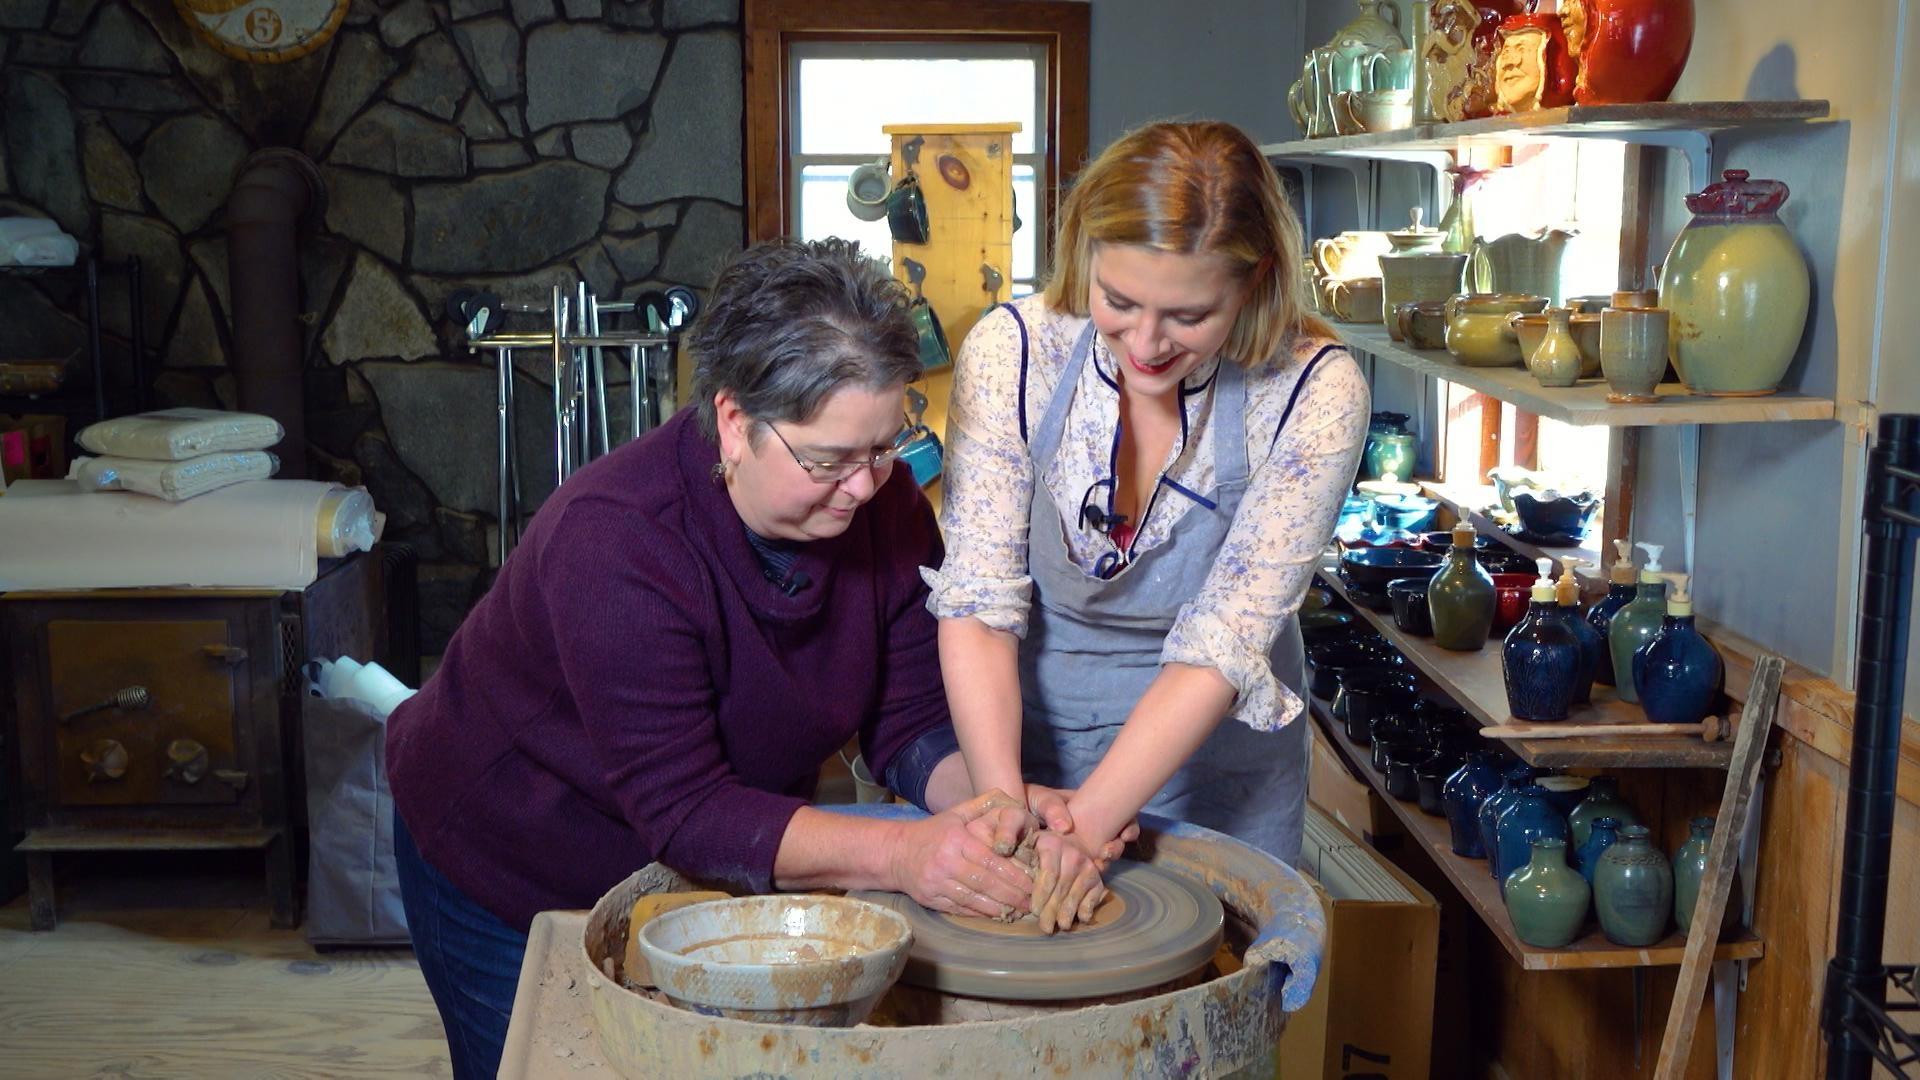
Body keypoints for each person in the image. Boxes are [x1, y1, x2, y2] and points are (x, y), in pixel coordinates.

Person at [387, 239, 1051, 1079]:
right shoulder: (615, 540)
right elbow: (687, 809)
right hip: (511, 848)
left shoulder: (881, 507)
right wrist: (904, 854)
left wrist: (996, 809)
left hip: (714, 843)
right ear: (736, 423)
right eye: (830, 460)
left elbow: (910, 720)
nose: (864, 486)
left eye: (886, 447)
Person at [925, 120, 1371, 927]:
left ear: (1254, 280)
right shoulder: (1014, 352)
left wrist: (1089, 827)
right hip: (1028, 745)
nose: (1146, 342)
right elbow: (979, 605)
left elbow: (1224, 640)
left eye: (1188, 315)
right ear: (1087, 252)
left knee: (1212, 980)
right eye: (1119, 301)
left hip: (1216, 764)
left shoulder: (1313, 391)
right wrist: (1003, 813)